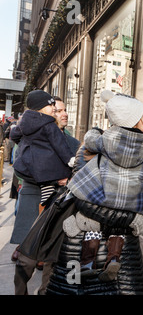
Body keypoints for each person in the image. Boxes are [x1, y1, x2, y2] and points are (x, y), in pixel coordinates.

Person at [48, 90, 143, 294]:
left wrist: (94, 131)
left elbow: (80, 194)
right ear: (131, 122)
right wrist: (131, 220)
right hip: (123, 245)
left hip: (80, 238)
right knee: (116, 285)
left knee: (72, 283)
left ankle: (87, 264)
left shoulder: (98, 143)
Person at [10, 90, 77, 295]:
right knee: (28, 254)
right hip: (33, 198)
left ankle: (45, 291)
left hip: (59, 202)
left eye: (65, 110)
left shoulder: (73, 143)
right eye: (58, 110)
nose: (63, 114)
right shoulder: (32, 132)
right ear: (45, 113)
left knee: (53, 255)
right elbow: (23, 165)